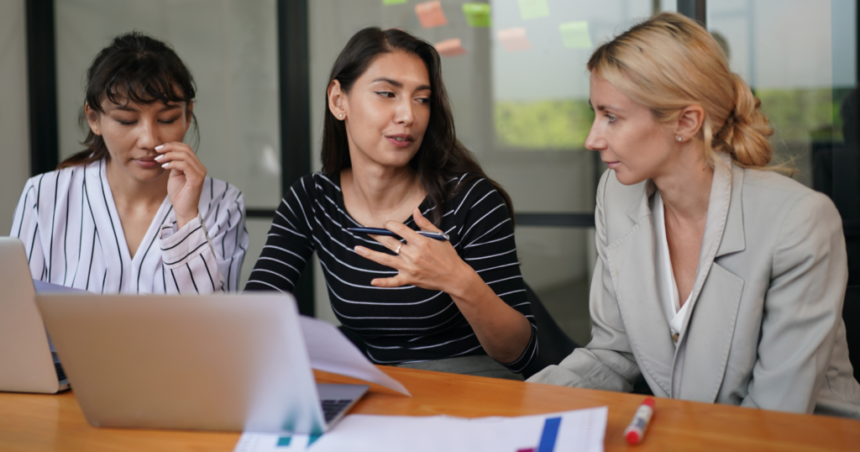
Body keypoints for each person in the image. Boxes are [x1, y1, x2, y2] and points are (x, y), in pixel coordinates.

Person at [527, 13, 860, 417]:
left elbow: (776, 414)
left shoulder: (798, 221)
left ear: (686, 121)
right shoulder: (617, 197)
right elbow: (611, 355)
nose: (592, 139)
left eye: (611, 116)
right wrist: (512, 409)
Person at [246, 28, 536, 379]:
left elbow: (522, 353)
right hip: (382, 390)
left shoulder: (470, 201)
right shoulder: (312, 199)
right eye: (387, 93)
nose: (408, 115)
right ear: (339, 100)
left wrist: (458, 280)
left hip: (471, 386)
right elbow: (254, 315)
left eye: (421, 99)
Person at [11, 32, 248, 294]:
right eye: (126, 120)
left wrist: (186, 218)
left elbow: (219, 324)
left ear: (188, 115)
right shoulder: (44, 196)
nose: (149, 139)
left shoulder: (222, 203)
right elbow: (19, 314)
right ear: (94, 118)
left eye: (167, 119)